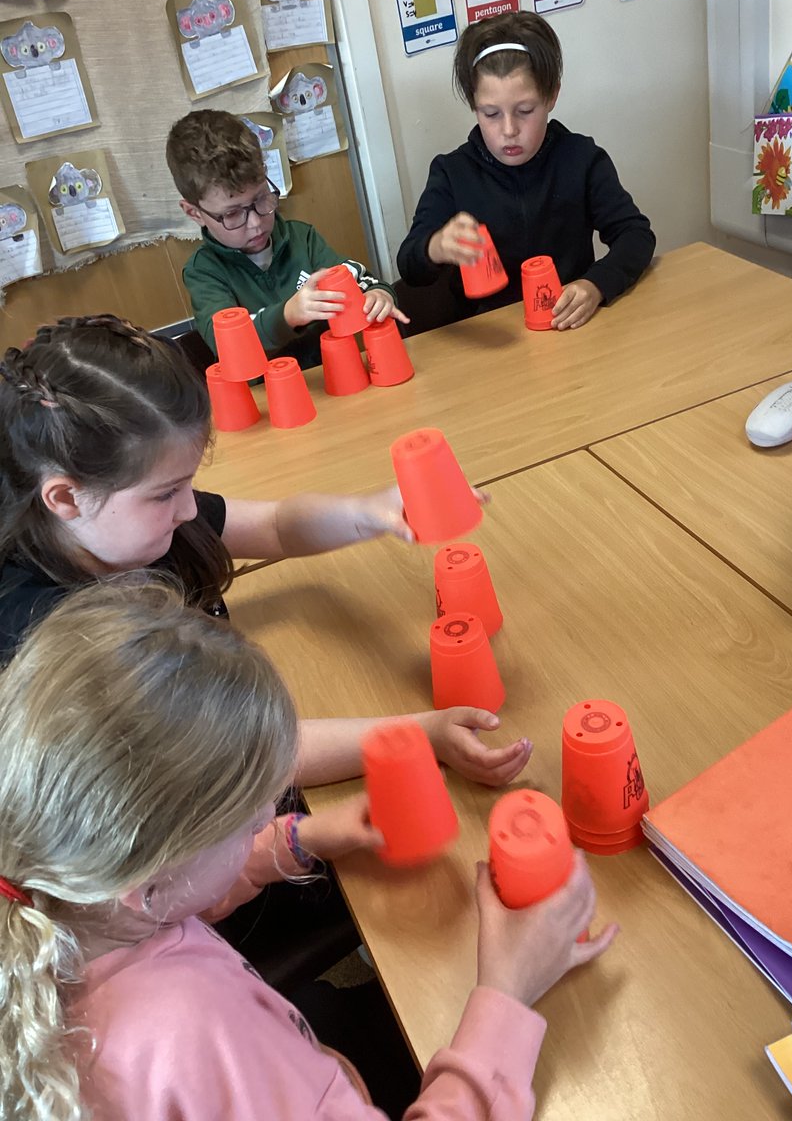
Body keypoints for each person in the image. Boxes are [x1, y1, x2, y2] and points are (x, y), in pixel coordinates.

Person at [0, 581, 619, 1121]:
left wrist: (293, 841)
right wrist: (507, 992)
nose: (267, 818)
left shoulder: (57, 891)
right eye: (250, 819)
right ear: (146, 875)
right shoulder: (195, 1036)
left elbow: (170, 904)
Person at [0, 317, 532, 898]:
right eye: (167, 493)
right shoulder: (54, 637)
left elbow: (277, 525)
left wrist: (370, 513)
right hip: (189, 858)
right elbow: (244, 749)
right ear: (65, 497)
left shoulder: (130, 522)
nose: (189, 509)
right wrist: (421, 733)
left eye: (187, 484)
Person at [397, 11, 656, 332]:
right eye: (491, 113)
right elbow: (409, 264)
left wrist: (596, 285)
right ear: (474, 104)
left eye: (525, 110)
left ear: (551, 96)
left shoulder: (581, 159)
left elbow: (635, 235)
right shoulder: (452, 173)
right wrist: (435, 247)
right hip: (493, 338)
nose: (509, 130)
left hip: (569, 325)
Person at [167, 109, 408, 368]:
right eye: (232, 214)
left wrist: (378, 294)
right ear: (195, 213)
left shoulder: (301, 238)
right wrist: (287, 316)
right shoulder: (203, 272)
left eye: (261, 198)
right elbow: (227, 344)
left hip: (331, 375)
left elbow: (356, 278)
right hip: (267, 390)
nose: (256, 223)